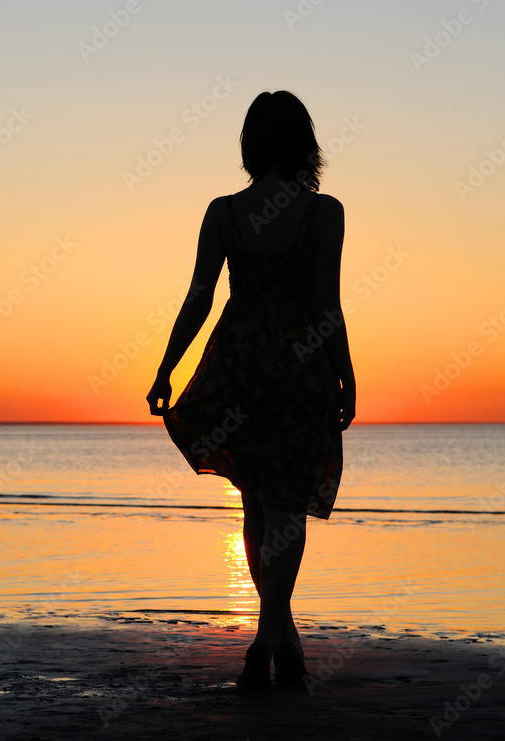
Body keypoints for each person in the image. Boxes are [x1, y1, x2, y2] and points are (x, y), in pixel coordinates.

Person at [146, 90, 356, 692]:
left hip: (237, 366)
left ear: (249, 143)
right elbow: (326, 304)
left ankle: (269, 641)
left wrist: (166, 368)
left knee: (256, 506)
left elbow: (199, 298)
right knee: (284, 506)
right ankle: (274, 639)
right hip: (298, 368)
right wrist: (346, 374)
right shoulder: (325, 213)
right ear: (304, 142)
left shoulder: (225, 212)